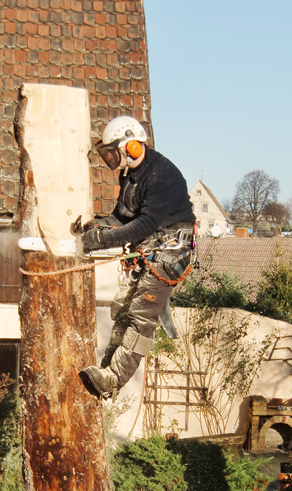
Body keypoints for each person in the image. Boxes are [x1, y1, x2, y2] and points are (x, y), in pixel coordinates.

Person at [79, 116, 196, 401]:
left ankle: (114, 380)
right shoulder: (130, 174)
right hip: (148, 250)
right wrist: (96, 228)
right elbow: (122, 217)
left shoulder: (162, 175)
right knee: (122, 309)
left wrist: (104, 240)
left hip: (170, 252)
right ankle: (107, 370)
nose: (111, 160)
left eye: (112, 153)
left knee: (141, 315)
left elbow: (144, 224)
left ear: (131, 146)